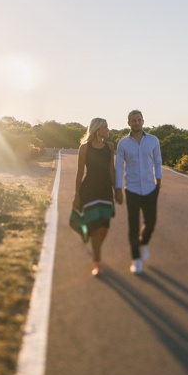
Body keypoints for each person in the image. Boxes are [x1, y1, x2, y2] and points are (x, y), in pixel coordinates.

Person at [114, 109, 162, 275]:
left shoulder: (153, 141)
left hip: (150, 188)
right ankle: (136, 259)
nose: (136, 122)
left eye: (138, 120)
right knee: (133, 226)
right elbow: (119, 167)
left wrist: (159, 183)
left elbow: (157, 161)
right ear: (128, 123)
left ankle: (144, 243)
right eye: (133, 120)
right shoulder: (123, 144)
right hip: (132, 189)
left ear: (143, 121)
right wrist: (118, 189)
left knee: (151, 222)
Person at [74, 117, 116, 277]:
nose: (108, 129)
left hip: (105, 190)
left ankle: (95, 246)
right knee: (95, 226)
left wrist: (117, 189)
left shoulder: (110, 147)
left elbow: (111, 170)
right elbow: (79, 173)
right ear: (97, 129)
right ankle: (97, 262)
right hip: (89, 190)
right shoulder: (84, 148)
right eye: (105, 127)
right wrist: (76, 194)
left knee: (104, 226)